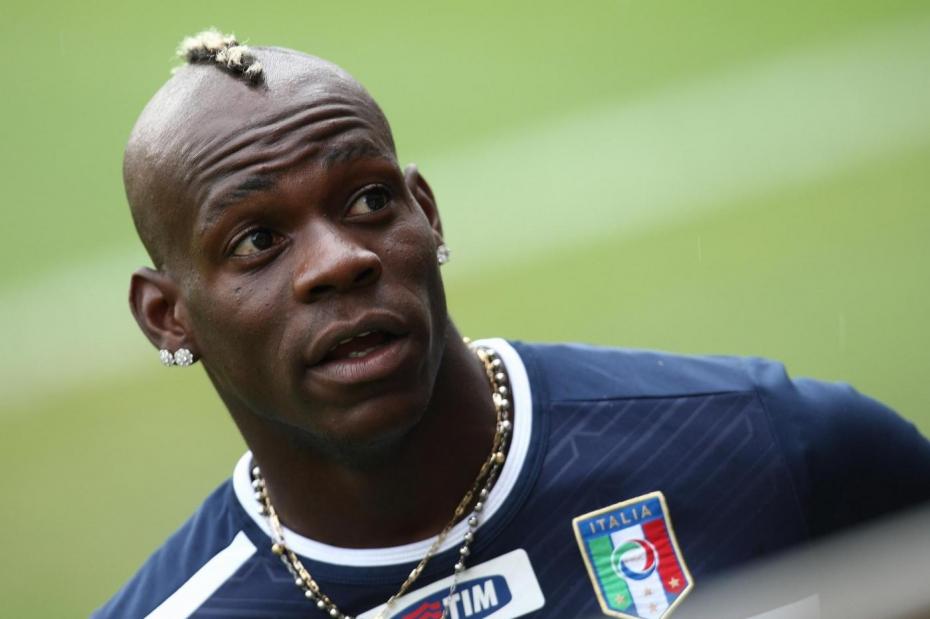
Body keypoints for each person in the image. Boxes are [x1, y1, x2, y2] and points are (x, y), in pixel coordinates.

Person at [94, 29, 930, 619]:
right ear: (168, 317)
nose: (340, 260)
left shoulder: (772, 447)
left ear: (428, 213)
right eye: (256, 241)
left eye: (370, 199)